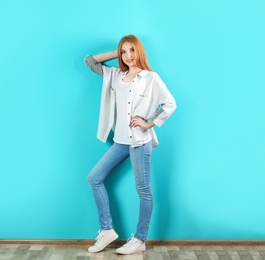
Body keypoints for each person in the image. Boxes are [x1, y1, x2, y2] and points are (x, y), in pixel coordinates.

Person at [84, 35, 176, 255]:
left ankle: (140, 239)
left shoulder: (150, 78)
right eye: (124, 52)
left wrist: (149, 123)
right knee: (94, 178)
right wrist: (118, 53)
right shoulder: (116, 74)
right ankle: (106, 229)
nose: (128, 56)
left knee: (143, 191)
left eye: (132, 51)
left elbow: (170, 104)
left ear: (139, 52)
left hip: (139, 142)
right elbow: (90, 61)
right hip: (120, 142)